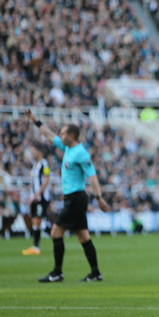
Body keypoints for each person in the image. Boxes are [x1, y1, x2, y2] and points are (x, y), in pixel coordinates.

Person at [24, 109, 110, 283]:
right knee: (83, 236)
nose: (59, 136)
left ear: (71, 136)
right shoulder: (67, 148)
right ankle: (95, 273)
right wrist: (36, 120)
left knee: (56, 232)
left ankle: (57, 273)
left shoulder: (80, 153)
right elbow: (48, 135)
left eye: (62, 134)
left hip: (77, 198)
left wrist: (99, 198)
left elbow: (92, 175)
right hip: (73, 199)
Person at [22, 142, 52, 255]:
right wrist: (31, 196)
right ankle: (35, 247)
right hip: (35, 197)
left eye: (33, 151)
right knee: (35, 221)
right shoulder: (35, 165)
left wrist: (38, 193)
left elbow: (46, 179)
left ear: (39, 152)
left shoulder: (44, 164)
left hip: (42, 197)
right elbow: (33, 184)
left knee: (38, 220)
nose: (32, 153)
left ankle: (38, 246)